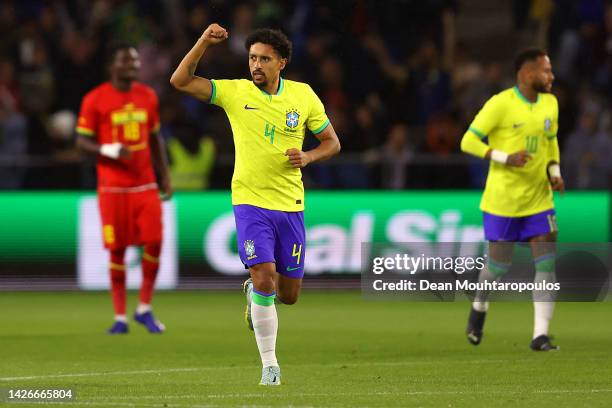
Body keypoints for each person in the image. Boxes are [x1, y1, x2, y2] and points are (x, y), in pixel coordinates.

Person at [170, 24, 341, 384]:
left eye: (264, 58)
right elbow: (181, 81)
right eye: (252, 58)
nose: (256, 64)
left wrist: (308, 158)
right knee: (264, 277)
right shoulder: (236, 92)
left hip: (290, 204)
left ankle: (254, 295)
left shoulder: (303, 96)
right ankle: (270, 366)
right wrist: (202, 41)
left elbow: (331, 142)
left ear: (282, 62)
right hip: (249, 201)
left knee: (288, 295)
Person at [460, 48, 564, 351]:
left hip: (539, 199)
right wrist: (505, 157)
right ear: (527, 73)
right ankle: (479, 307)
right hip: (503, 201)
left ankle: (539, 335)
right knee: (498, 268)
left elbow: (551, 140)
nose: (552, 76)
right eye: (546, 70)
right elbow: (468, 140)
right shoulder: (500, 104)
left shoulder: (551, 103)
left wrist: (555, 171)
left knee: (546, 265)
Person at [76, 44, 172, 335]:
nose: (132, 65)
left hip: (144, 184)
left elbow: (155, 140)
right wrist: (110, 150)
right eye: (126, 60)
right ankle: (120, 317)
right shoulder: (95, 99)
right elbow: (81, 144)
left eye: (135, 61)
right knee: (117, 251)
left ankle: (144, 308)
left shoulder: (148, 96)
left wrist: (165, 175)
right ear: (112, 66)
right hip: (113, 188)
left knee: (154, 241)